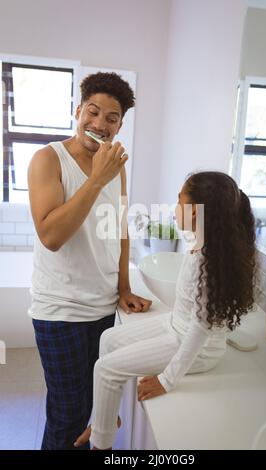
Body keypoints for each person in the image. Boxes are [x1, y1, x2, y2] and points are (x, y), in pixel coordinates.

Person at [74, 171, 257, 450]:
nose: (174, 209)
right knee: (107, 339)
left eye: (179, 200)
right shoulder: (203, 246)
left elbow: (201, 327)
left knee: (105, 369)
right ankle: (108, 420)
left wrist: (167, 380)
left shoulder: (207, 261)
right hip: (175, 326)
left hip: (194, 347)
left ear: (195, 212)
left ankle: (101, 444)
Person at [28, 71, 152, 450]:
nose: (99, 124)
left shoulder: (117, 167)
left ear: (120, 125)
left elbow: (120, 227)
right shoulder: (48, 159)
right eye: (93, 112)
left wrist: (124, 287)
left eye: (111, 118)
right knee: (67, 415)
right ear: (79, 110)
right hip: (60, 311)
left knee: (95, 411)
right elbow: (51, 236)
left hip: (101, 310)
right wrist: (96, 179)